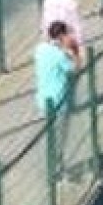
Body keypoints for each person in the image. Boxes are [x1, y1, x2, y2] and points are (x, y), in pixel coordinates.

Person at [34, 21, 77, 179]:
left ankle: (53, 166)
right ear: (61, 36)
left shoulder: (39, 50)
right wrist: (72, 51)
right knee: (60, 137)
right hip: (59, 100)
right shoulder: (60, 56)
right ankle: (57, 170)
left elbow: (45, 44)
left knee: (51, 134)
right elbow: (74, 68)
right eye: (66, 34)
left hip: (43, 99)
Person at [41, 0, 84, 64]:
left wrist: (45, 37)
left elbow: (44, 21)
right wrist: (80, 44)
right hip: (65, 36)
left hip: (51, 34)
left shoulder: (47, 1)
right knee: (69, 63)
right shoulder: (71, 3)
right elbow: (77, 25)